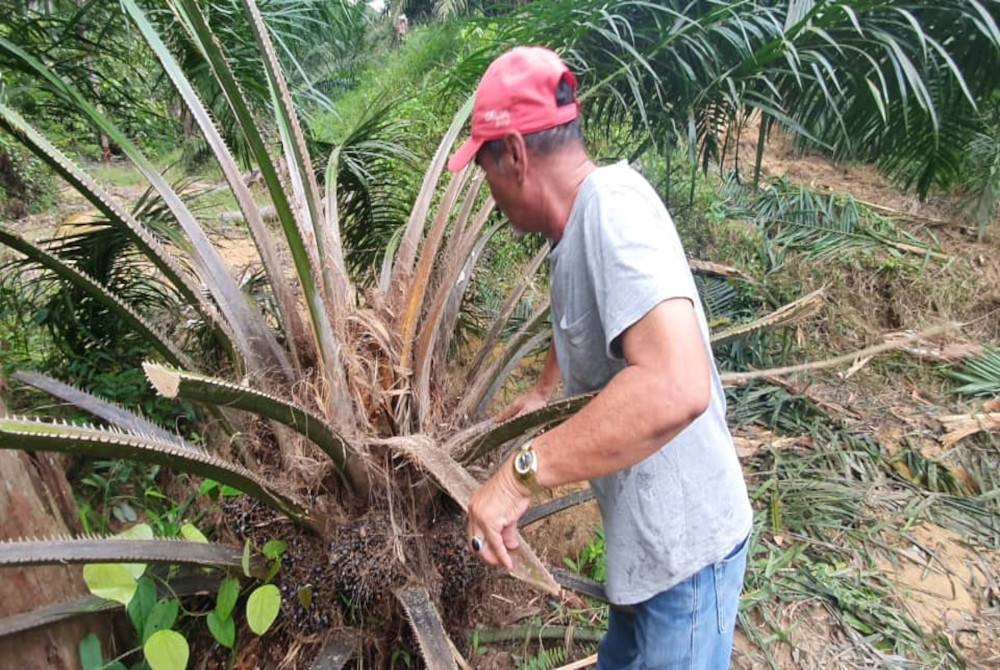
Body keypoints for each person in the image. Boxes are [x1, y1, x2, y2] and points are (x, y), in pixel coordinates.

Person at [450, 47, 754, 669]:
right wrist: (544, 391)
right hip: (646, 553)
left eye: (484, 167)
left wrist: (518, 477)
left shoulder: (614, 211)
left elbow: (676, 385)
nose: (487, 189)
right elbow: (589, 319)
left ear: (515, 154)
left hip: (686, 560)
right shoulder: (572, 230)